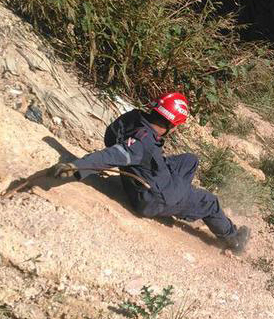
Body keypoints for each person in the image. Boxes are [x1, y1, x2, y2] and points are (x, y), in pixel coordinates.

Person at [50, 91, 250, 253]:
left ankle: (183, 194)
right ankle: (233, 240)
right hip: (152, 199)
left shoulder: (132, 119)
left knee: (190, 160)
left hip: (149, 178)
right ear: (172, 124)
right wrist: (77, 167)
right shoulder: (141, 144)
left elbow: (112, 140)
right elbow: (113, 154)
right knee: (209, 201)